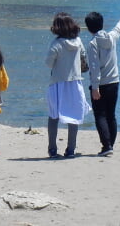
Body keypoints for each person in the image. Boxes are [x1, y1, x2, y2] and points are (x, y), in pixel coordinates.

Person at [45, 12, 90, 159]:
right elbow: (84, 57)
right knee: (74, 116)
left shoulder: (56, 44)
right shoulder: (78, 42)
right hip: (75, 82)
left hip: (57, 82)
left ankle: (52, 149)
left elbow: (48, 63)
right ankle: (71, 149)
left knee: (53, 116)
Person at [85, 12, 120, 156]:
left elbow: (94, 67)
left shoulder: (92, 44)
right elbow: (118, 30)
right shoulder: (111, 37)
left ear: (89, 28)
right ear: (102, 24)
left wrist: (95, 87)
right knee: (111, 115)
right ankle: (110, 145)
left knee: (100, 115)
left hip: (101, 84)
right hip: (114, 82)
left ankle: (107, 145)